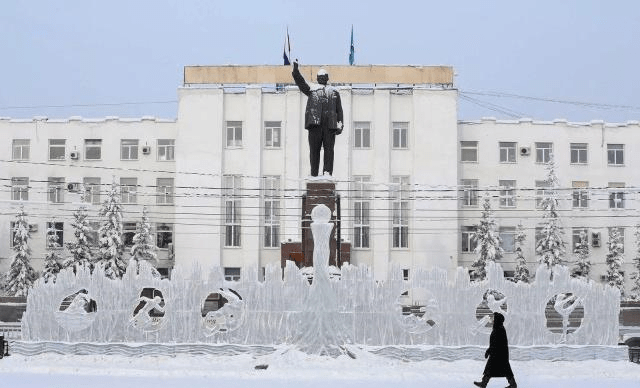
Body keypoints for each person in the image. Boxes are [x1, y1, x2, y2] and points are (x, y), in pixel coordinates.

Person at [292, 61, 343, 177]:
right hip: (315, 125)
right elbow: (301, 82)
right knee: (314, 151)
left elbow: (339, 110)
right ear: (317, 78)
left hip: (330, 126)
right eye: (320, 77)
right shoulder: (311, 89)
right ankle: (314, 174)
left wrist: (340, 125)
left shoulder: (334, 92)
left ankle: (327, 173)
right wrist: (295, 72)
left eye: (324, 77)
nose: (322, 79)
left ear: (327, 78)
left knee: (329, 151)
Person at [474, 312, 517, 388]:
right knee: (496, 369)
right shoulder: (498, 328)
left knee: (498, 368)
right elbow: (494, 343)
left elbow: (497, 343)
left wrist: (489, 351)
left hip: (499, 354)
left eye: (494, 319)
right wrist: (489, 350)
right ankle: (484, 383)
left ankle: (513, 384)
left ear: (497, 320)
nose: (492, 320)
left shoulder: (499, 329)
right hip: (498, 353)